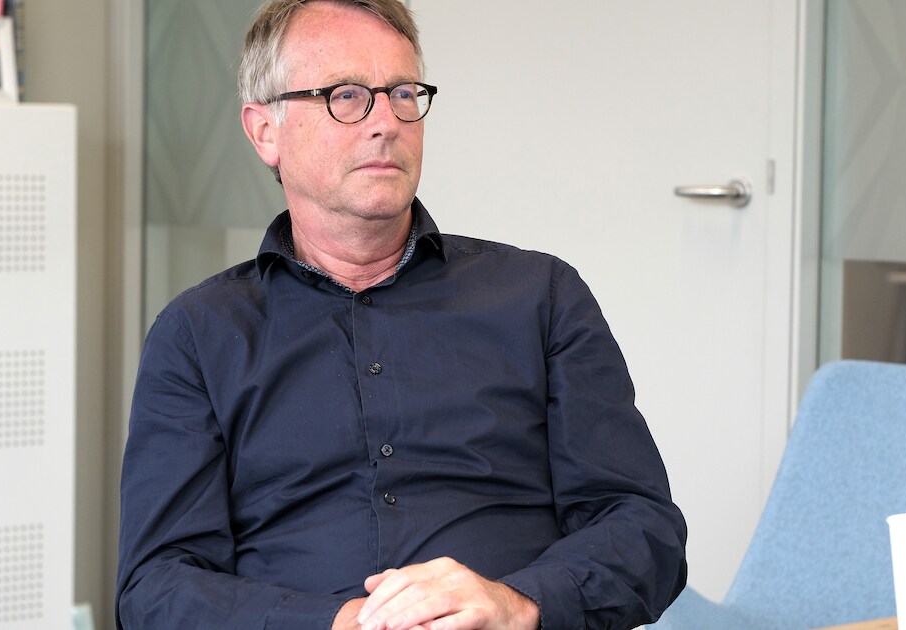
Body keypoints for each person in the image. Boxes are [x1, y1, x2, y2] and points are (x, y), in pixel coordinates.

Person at [115, 1, 687, 628]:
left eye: (404, 93)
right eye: (346, 95)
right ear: (264, 131)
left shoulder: (541, 297)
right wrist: (341, 623)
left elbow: (644, 529)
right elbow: (156, 587)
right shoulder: (198, 336)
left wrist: (518, 603)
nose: (386, 121)